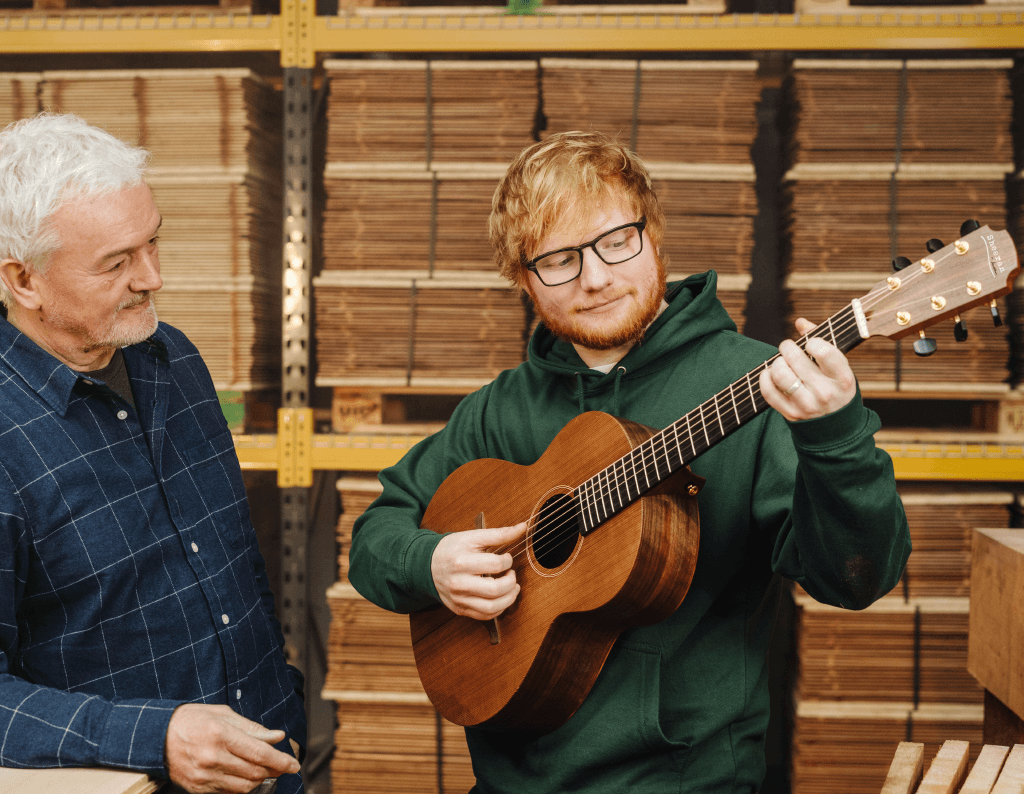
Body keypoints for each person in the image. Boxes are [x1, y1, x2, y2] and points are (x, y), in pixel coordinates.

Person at [348, 130, 911, 793]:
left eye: (616, 241)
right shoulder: (498, 411)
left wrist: (836, 434)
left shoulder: (760, 384)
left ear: (654, 232)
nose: (596, 277)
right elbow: (375, 537)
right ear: (522, 279)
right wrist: (432, 565)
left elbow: (858, 579)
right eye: (558, 260)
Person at [0, 113, 305, 794]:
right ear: (25, 281)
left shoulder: (174, 362)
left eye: (153, 241)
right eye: (117, 262)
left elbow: (230, 566)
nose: (154, 278)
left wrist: (286, 702)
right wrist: (155, 738)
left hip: (267, 768)